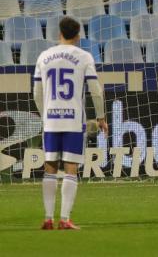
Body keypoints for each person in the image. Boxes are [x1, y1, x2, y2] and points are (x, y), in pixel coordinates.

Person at [33, 17, 108, 230]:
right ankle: (65, 219)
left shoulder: (44, 56)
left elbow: (37, 92)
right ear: (77, 36)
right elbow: (95, 89)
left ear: (59, 33)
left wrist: (44, 115)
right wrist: (101, 117)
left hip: (51, 120)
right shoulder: (84, 57)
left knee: (49, 167)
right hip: (73, 120)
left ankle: (48, 218)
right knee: (70, 168)